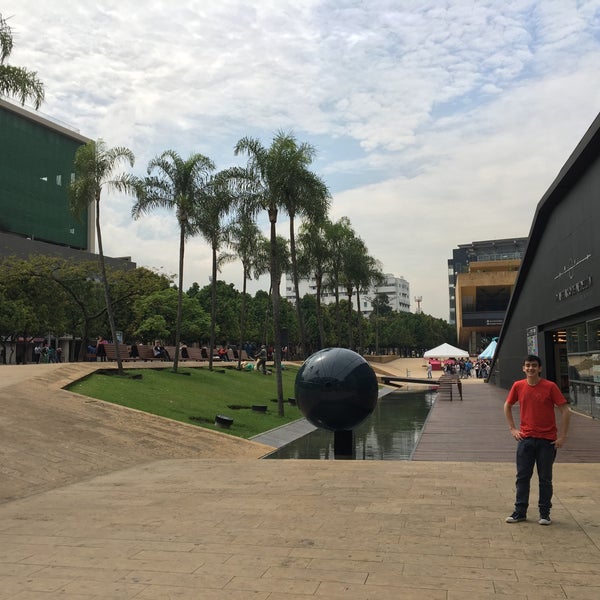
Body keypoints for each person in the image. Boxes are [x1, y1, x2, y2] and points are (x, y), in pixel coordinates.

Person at [503, 354, 571, 526]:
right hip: (526, 439)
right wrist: (512, 428)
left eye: (534, 365)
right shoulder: (518, 386)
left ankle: (544, 513)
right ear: (523, 368)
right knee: (522, 477)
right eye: (527, 365)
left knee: (545, 478)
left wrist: (562, 436)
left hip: (547, 441)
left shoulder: (550, 387)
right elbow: (507, 405)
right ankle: (520, 512)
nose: (530, 368)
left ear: (539, 368)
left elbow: (565, 410)